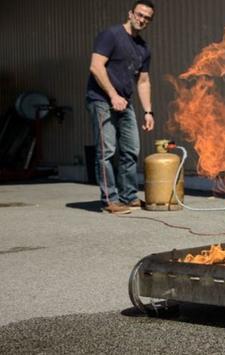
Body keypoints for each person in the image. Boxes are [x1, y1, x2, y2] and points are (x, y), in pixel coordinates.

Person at [86, 0, 155, 214]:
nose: (142, 19)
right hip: (101, 100)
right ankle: (110, 200)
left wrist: (148, 111)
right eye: (139, 14)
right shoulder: (111, 35)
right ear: (131, 13)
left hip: (124, 102)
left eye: (147, 17)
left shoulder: (143, 48)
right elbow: (96, 67)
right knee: (106, 151)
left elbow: (143, 81)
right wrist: (113, 95)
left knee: (131, 149)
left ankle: (128, 196)